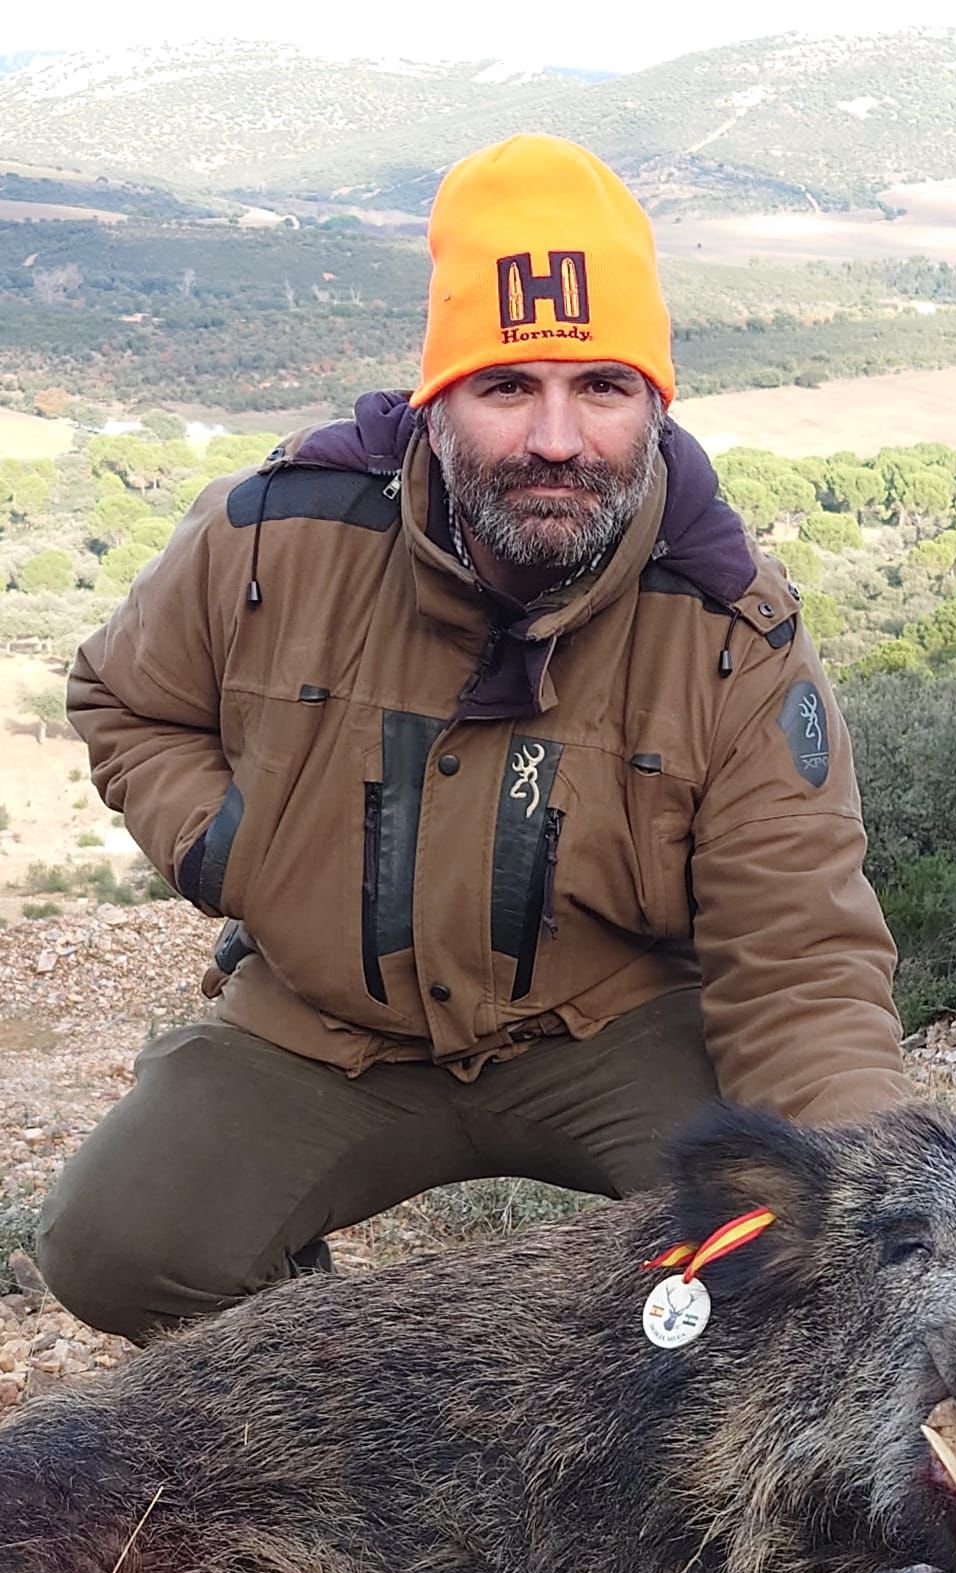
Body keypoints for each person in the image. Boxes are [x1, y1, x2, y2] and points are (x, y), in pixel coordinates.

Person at [37, 134, 910, 1344]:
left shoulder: (731, 633)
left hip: (609, 1026)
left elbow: (801, 964)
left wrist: (864, 1215)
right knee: (119, 1245)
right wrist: (237, 851)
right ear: (436, 400)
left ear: (655, 404)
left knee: (770, 1269)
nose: (556, 437)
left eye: (600, 387)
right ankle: (314, 1391)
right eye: (507, 387)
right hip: (326, 1027)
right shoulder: (271, 537)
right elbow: (125, 698)